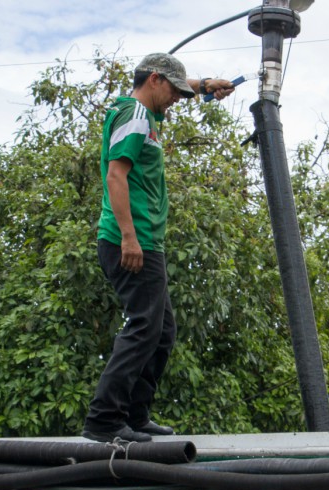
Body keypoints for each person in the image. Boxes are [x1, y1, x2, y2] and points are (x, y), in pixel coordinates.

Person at [82, 53, 236, 443]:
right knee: (145, 326)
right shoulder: (134, 114)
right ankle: (104, 419)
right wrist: (129, 237)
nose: (175, 100)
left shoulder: (143, 114)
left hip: (145, 241)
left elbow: (175, 89)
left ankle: (134, 414)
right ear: (154, 80)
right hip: (131, 241)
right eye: (173, 91)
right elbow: (116, 176)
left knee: (162, 331)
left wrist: (202, 86)